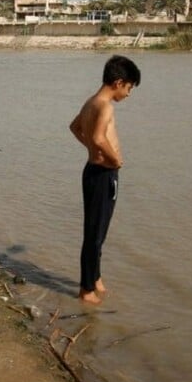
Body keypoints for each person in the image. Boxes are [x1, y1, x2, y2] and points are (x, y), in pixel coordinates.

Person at [69, 55, 141, 304]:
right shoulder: (105, 106)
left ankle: (95, 277)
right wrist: (115, 160)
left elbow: (75, 127)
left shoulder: (92, 102)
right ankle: (86, 289)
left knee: (97, 229)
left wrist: (92, 149)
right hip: (103, 174)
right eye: (130, 87)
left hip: (93, 170)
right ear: (119, 82)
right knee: (95, 232)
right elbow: (99, 138)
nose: (129, 94)